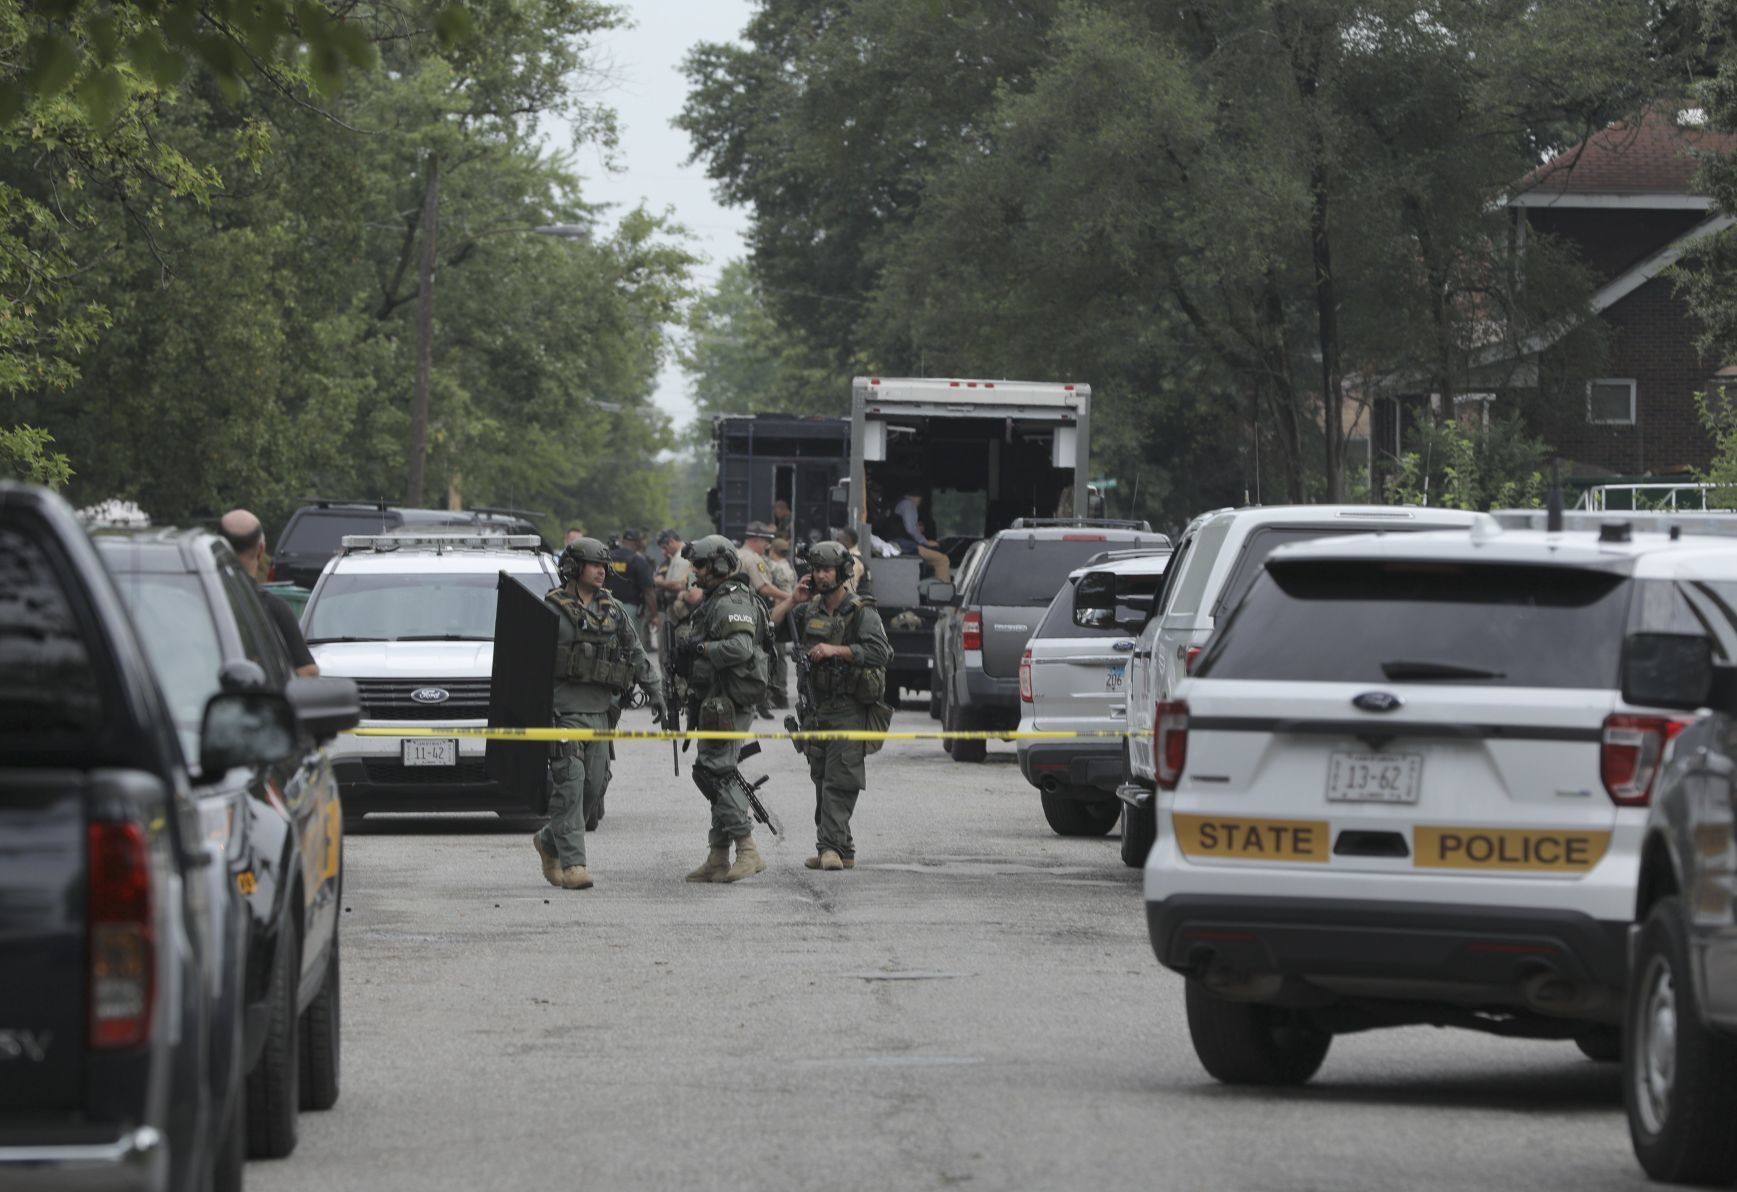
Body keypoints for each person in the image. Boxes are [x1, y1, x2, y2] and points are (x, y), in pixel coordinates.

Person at [531, 537, 666, 891]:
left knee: (592, 790)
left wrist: (657, 692)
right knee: (571, 786)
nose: (602, 571)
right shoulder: (551, 610)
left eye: (603, 565)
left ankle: (548, 841)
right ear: (574, 569)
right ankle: (574, 865)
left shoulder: (613, 609)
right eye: (594, 565)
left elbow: (636, 653)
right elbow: (530, 667)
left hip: (601, 713)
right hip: (563, 714)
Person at [771, 540, 892, 871]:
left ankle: (828, 848)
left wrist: (836, 650)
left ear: (841, 573)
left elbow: (882, 652)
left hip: (848, 708)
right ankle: (843, 847)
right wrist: (791, 599)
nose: (821, 576)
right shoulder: (806, 610)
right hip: (816, 710)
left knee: (842, 779)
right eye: (817, 569)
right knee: (823, 778)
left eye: (827, 570)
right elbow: (767, 630)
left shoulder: (860, 611)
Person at [670, 534, 772, 884]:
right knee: (718, 771)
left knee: (714, 771)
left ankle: (748, 849)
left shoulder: (731, 600)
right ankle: (717, 857)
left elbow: (740, 648)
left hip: (730, 699)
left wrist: (701, 649)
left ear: (721, 565)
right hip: (716, 699)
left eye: (700, 564)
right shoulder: (715, 599)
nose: (695, 571)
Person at [219, 509, 319, 677]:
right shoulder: (275, 609)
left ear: (219, 547)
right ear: (260, 550)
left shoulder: (196, 605)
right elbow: (307, 672)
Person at [735, 520, 792, 719]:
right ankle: (757, 702)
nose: (766, 546)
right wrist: (790, 597)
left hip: (733, 613)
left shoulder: (735, 554)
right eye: (764, 541)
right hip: (750, 614)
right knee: (758, 658)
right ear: (755, 539)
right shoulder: (752, 559)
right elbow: (764, 588)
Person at [606, 528, 658, 652]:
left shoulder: (608, 557)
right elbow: (648, 592)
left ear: (622, 541)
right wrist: (655, 615)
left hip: (607, 608)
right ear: (638, 543)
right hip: (630, 612)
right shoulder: (638, 561)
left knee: (609, 647)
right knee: (632, 648)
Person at [890, 489, 951, 582]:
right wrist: (926, 542)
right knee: (942, 560)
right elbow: (911, 529)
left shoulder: (900, 504)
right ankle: (943, 593)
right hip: (906, 546)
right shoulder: (908, 505)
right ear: (918, 498)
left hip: (901, 544)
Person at [653, 529, 701, 643]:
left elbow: (679, 586)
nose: (664, 551)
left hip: (681, 610)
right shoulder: (677, 556)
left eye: (665, 547)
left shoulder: (681, 558)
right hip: (675, 608)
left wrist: (660, 583)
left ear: (671, 541)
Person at [833, 527, 868, 596]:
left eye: (838, 540)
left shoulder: (853, 561)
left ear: (847, 541)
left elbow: (849, 589)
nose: (835, 542)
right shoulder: (853, 557)